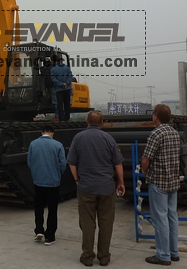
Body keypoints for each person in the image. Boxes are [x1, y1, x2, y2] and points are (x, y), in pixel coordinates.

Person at [67, 111, 126, 267]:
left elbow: (72, 163)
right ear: (102, 123)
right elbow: (118, 164)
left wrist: (77, 180)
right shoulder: (108, 138)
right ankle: (104, 257)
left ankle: (87, 256)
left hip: (86, 187)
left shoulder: (78, 138)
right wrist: (121, 182)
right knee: (106, 222)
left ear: (87, 121)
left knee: (87, 222)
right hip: (106, 187)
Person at [141, 104, 182, 266]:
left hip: (158, 181)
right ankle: (174, 252)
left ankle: (163, 255)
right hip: (173, 180)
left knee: (160, 219)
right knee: (172, 217)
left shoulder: (156, 133)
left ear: (156, 116)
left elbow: (146, 159)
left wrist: (144, 170)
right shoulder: (174, 133)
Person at [27, 124, 67, 246]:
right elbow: (63, 164)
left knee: (39, 207)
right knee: (52, 209)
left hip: (38, 181)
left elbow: (29, 162)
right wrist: (57, 175)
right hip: (53, 183)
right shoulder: (58, 145)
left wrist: (36, 174)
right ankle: (50, 236)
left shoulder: (33, 144)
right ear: (52, 133)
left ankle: (39, 230)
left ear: (41, 132)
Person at [50, 55, 73, 121]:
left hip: (59, 89)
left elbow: (53, 79)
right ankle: (67, 117)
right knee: (67, 104)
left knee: (59, 104)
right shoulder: (67, 68)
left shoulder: (53, 69)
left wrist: (61, 84)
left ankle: (61, 118)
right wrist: (66, 83)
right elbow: (70, 77)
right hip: (67, 88)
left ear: (53, 61)